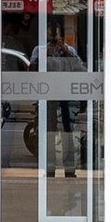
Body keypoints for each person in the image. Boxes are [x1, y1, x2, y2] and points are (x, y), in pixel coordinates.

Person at [30, 25, 86, 177]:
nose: (53, 37)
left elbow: (81, 70)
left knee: (68, 134)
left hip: (67, 99)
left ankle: (70, 169)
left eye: (56, 33)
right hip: (48, 98)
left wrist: (66, 52)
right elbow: (32, 70)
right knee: (49, 134)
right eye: (50, 32)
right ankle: (49, 168)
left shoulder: (70, 50)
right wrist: (45, 54)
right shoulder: (39, 50)